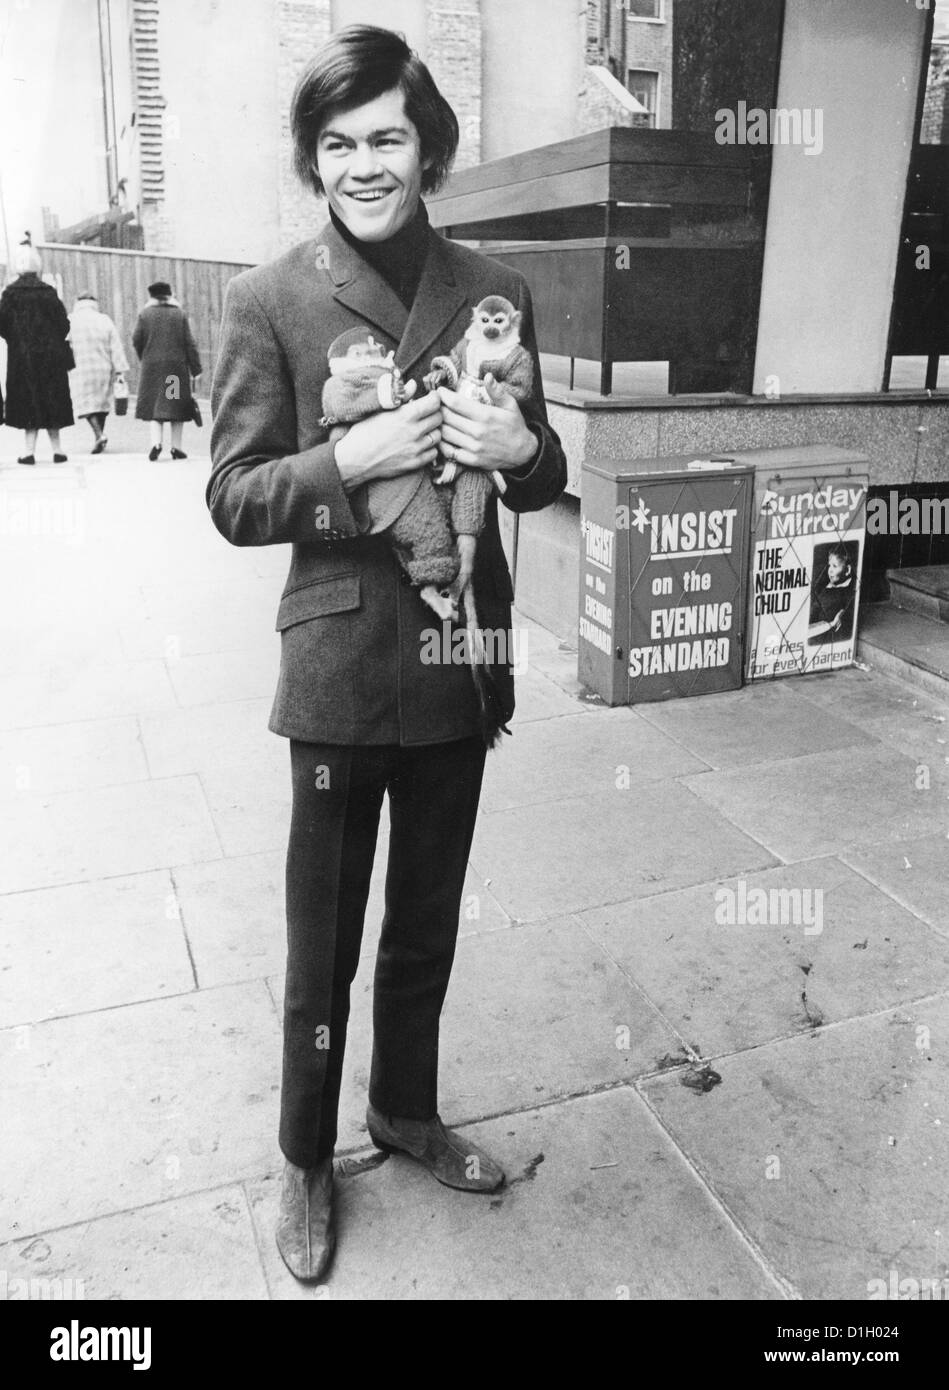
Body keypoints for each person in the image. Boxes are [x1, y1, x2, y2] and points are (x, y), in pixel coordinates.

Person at [208, 24, 567, 1284]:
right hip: (341, 671)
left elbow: (545, 467)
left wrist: (519, 452)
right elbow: (237, 496)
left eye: (387, 139)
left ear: (428, 149)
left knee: (424, 926)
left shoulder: (494, 289)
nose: (365, 164)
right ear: (316, 159)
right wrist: (345, 463)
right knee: (324, 939)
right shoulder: (269, 298)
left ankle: (402, 1112)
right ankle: (305, 1152)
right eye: (339, 143)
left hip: (463, 659)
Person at [0, 241, 74, 465]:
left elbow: (1, 324)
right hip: (51, 357)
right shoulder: (48, 292)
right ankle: (58, 450)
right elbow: (64, 324)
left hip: (22, 357)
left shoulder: (10, 294)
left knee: (27, 402)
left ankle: (29, 452)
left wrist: (15, 339)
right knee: (52, 400)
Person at [132, 280, 202, 460]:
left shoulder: (145, 314)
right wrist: (196, 368)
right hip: (175, 369)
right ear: (170, 295)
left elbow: (136, 339)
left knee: (156, 406)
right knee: (174, 405)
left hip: (152, 369)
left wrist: (145, 357)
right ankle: (176, 448)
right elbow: (189, 343)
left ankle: (156, 443)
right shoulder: (179, 314)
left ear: (152, 296)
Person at [68, 291, 130, 454]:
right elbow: (115, 346)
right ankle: (99, 436)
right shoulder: (104, 320)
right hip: (103, 367)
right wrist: (120, 369)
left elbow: (64, 343)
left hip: (80, 367)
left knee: (86, 404)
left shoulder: (71, 320)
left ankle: (99, 434)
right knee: (101, 403)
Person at [808, 543, 856, 643]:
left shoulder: (848, 590)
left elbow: (850, 606)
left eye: (835, 566)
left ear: (847, 570)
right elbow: (815, 607)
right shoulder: (825, 586)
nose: (830, 570)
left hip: (830, 633)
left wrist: (843, 613)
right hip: (815, 627)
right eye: (829, 565)